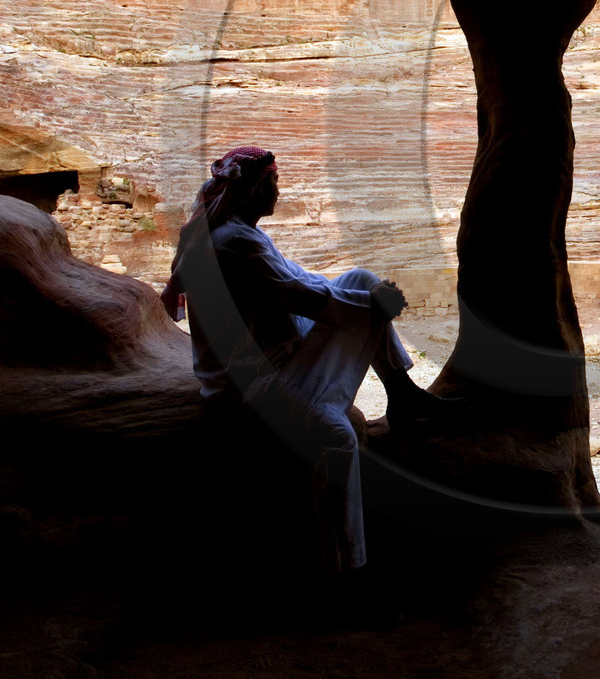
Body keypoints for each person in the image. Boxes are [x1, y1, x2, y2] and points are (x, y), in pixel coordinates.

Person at [160, 145, 447, 573]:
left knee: (360, 281)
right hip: (255, 384)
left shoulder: (241, 233)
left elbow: (301, 278)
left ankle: (401, 393)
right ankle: (349, 573)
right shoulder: (233, 243)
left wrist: (368, 298)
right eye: (273, 182)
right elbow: (302, 297)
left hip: (280, 358)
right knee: (337, 436)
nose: (279, 190)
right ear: (256, 190)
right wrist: (374, 307)